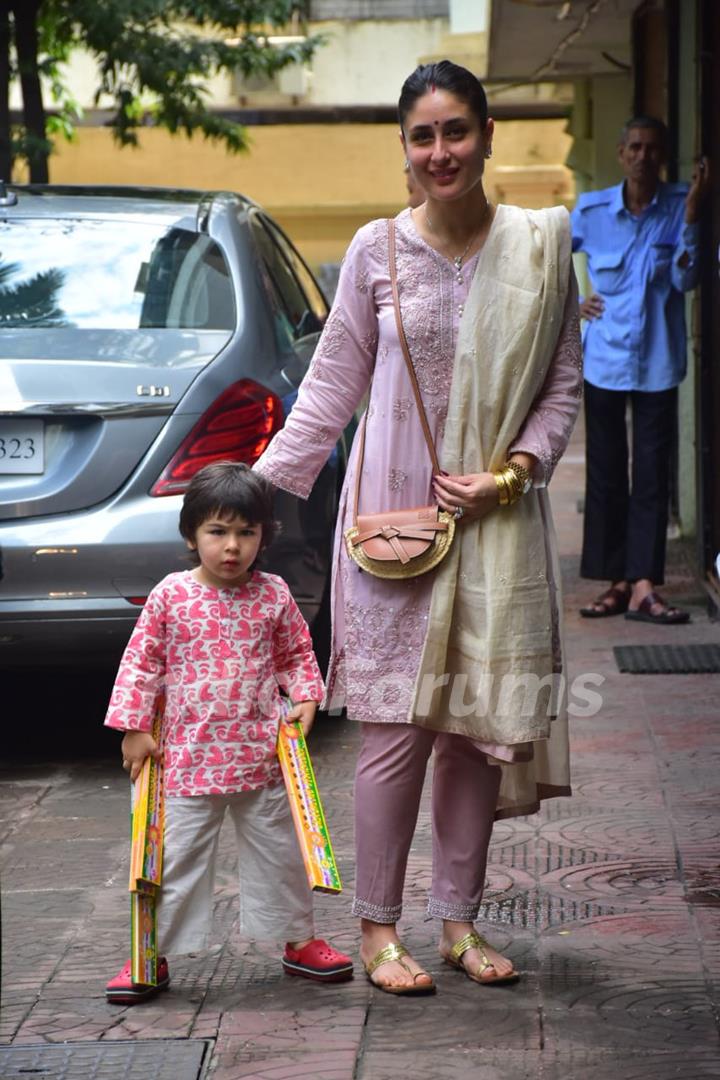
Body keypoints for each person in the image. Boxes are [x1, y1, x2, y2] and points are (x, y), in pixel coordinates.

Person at [255, 60, 582, 995]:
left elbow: (560, 391)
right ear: (405, 148)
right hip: (389, 531)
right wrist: (261, 489)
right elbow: (332, 387)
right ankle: (378, 931)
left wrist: (511, 477)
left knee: (474, 734)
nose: (441, 151)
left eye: (456, 131)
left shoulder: (537, 249)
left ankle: (458, 923)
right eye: (423, 136)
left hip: (496, 524)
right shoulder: (376, 252)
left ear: (485, 135)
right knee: (397, 733)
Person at [104, 461, 353, 1005]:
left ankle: (299, 940)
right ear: (191, 534)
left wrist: (307, 696)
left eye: (246, 531)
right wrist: (133, 728)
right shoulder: (171, 595)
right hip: (185, 763)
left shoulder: (273, 594)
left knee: (280, 855)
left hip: (263, 758)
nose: (232, 546)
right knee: (171, 860)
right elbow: (141, 664)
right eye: (217, 531)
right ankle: (153, 949)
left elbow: (295, 653)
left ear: (265, 534)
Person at [573, 116, 710, 624]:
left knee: (651, 475)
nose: (642, 156)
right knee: (606, 475)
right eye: (634, 147)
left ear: (663, 157)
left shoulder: (679, 206)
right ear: (620, 153)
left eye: (652, 149)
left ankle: (645, 586)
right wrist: (572, 302)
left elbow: (688, 279)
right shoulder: (591, 212)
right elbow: (543, 260)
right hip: (604, 360)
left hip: (656, 361)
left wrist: (693, 215)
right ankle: (615, 582)